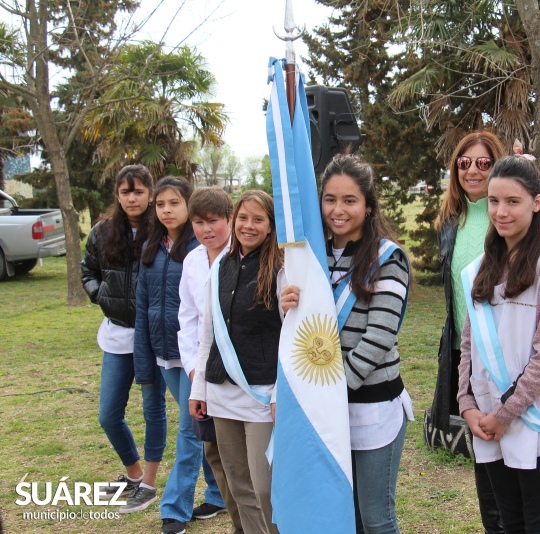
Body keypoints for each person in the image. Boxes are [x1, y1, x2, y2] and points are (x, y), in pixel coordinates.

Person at [280, 154, 413, 534]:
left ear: (368, 205)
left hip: (371, 404)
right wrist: (284, 306)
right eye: (330, 199)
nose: (338, 210)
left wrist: (334, 391)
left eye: (350, 200)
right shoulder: (310, 258)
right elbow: (303, 332)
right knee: (342, 514)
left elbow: (380, 335)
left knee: (375, 517)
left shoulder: (388, 258)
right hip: (325, 409)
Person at [457, 155, 540, 534]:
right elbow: (469, 344)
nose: (501, 211)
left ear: (537, 202)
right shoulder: (480, 267)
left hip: (533, 419)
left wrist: (505, 413)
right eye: (495, 201)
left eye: (513, 201)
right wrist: (467, 406)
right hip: (487, 418)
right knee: (507, 521)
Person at [189, 190, 282, 534]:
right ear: (234, 220)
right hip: (220, 393)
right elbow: (207, 335)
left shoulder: (280, 269)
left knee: (264, 487)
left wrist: (278, 394)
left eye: (258, 219)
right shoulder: (219, 268)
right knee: (237, 483)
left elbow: (290, 339)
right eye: (243, 217)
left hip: (261, 393)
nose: (249, 225)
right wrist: (198, 388)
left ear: (271, 227)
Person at [430, 130, 506, 533]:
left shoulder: (508, 217)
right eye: (464, 163)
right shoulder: (450, 222)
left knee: (519, 463)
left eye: (483, 162)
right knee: (485, 460)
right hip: (466, 356)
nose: (473, 170)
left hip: (508, 359)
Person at [80, 165, 165, 501]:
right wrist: (99, 294)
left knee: (152, 410)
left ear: (150, 193)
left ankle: (150, 483)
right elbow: (88, 269)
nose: (132, 198)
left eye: (139, 191)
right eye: (126, 191)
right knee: (108, 414)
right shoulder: (102, 231)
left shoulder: (161, 231)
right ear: (117, 195)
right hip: (116, 335)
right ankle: (134, 473)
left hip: (151, 337)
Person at [132, 176, 203, 534]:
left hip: (192, 356)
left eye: (174, 203)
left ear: (189, 205)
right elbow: (143, 307)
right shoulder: (151, 246)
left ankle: (175, 507)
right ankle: (221, 495)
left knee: (190, 429)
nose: (166, 210)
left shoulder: (199, 247)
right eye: (160, 204)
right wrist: (145, 363)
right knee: (203, 427)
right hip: (163, 355)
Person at [177, 186, 240, 528]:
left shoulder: (242, 255)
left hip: (240, 372)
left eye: (213, 221)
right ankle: (233, 517)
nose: (205, 230)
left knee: (241, 459)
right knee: (213, 452)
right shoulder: (191, 260)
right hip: (202, 371)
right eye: (198, 223)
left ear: (229, 219)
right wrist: (192, 370)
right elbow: (187, 319)